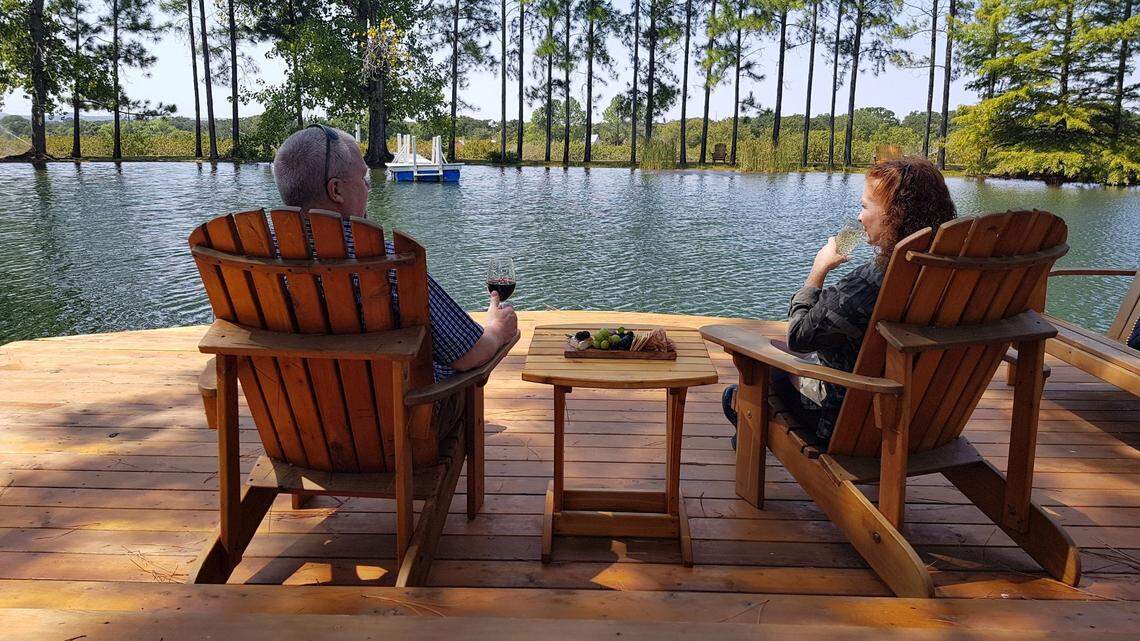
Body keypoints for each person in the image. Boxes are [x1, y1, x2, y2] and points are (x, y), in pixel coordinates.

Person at [271, 124, 518, 429]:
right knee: (470, 368)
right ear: (336, 190)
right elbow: (469, 356)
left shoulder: (252, 261)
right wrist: (496, 329)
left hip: (298, 429)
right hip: (396, 434)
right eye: (363, 179)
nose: (368, 188)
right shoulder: (386, 262)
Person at [722, 157, 957, 451]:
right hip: (926, 419)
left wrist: (817, 271)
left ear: (896, 215)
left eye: (865, 206)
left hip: (851, 424)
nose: (859, 217)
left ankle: (747, 448)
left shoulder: (874, 282)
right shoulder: (950, 276)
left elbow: (798, 339)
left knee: (745, 382)